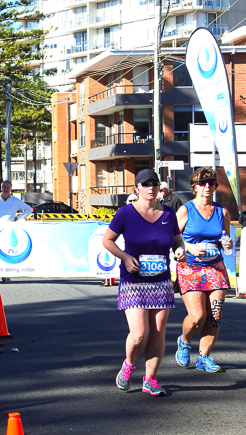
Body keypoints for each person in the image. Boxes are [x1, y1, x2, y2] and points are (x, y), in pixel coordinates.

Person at [103, 169, 186, 396]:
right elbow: (107, 240)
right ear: (136, 188)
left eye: (154, 184)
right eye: (146, 184)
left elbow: (177, 241)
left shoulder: (169, 214)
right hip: (134, 281)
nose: (151, 188)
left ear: (160, 188)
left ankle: (151, 379)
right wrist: (125, 257)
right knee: (140, 333)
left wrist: (180, 251)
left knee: (158, 332)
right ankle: (129, 364)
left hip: (160, 281)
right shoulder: (125, 213)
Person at [175, 167, 234, 373]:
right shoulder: (185, 210)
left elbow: (225, 237)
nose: (207, 186)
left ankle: (204, 357)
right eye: (202, 183)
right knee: (198, 317)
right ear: (194, 187)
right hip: (190, 267)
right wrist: (188, 246)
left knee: (215, 314)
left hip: (215, 266)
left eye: (211, 183)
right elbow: (171, 236)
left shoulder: (222, 211)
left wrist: (228, 243)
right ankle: (184, 340)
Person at [0, 181, 33, 284]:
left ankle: (6, 276)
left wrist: (18, 218)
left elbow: (28, 210)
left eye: (8, 187)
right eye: (4, 187)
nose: (6, 189)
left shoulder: (16, 201)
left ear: (11, 188)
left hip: (8, 231)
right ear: (1, 188)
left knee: (6, 253)